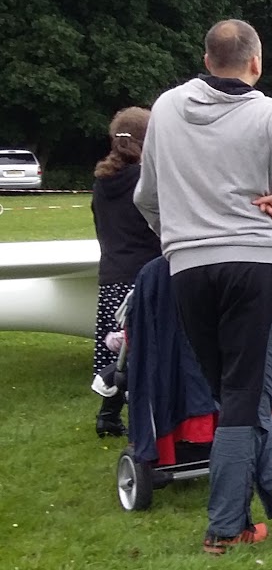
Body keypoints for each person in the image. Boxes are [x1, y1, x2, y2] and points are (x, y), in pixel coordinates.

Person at [133, 19, 272, 553]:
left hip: (189, 271)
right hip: (256, 266)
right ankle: (232, 521)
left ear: (207, 60)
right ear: (257, 62)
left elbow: (146, 197)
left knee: (233, 397)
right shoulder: (266, 113)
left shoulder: (165, 110)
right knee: (245, 400)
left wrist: (177, 238)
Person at [90, 107, 162, 438]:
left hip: (111, 275)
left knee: (120, 350)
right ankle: (145, 419)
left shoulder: (102, 183)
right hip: (143, 274)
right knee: (143, 349)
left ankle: (108, 417)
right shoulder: (145, 181)